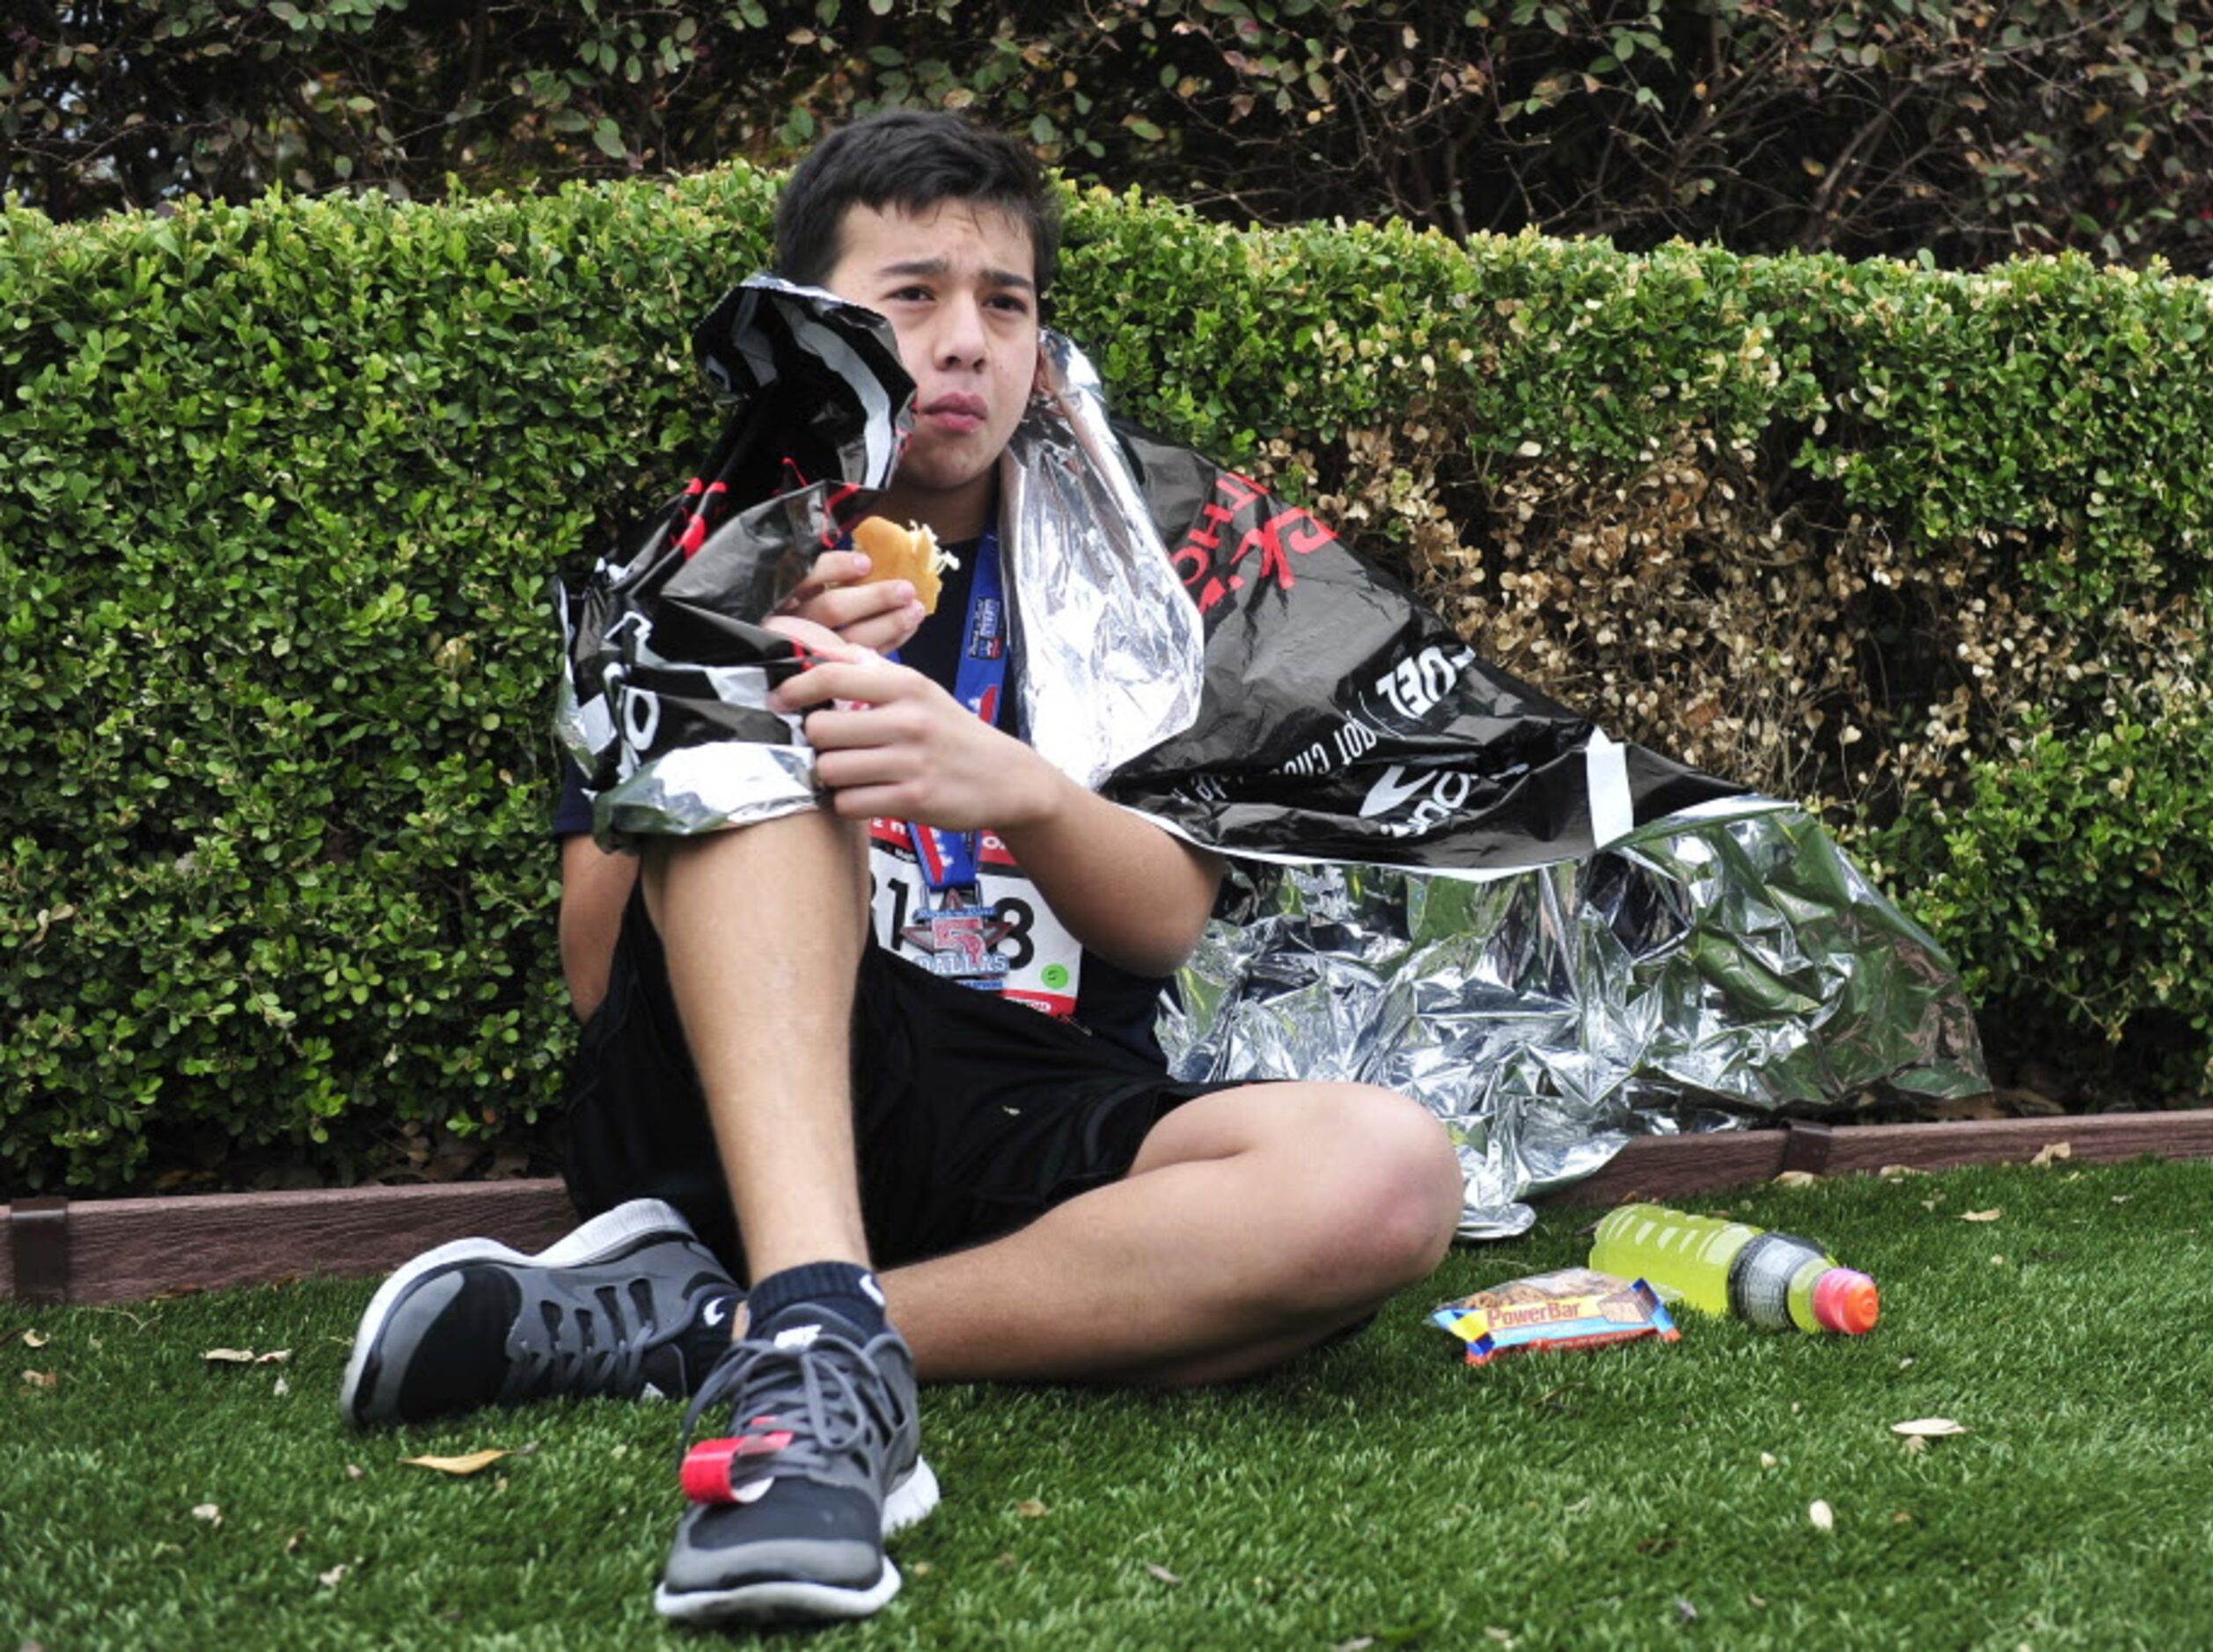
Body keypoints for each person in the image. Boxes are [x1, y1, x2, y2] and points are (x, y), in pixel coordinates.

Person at [336, 110, 1466, 1626]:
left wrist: (1009, 789)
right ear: (816, 326)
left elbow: (1165, 924)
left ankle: (748, 1334)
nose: (964, 341)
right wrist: (742, 688)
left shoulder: (1128, 581)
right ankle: (806, 1307)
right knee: (756, 741)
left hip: (1021, 1107)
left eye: (1006, 304)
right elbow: (601, 974)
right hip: (739, 1123)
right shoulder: (698, 560)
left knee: (1387, 1182)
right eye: (911, 295)